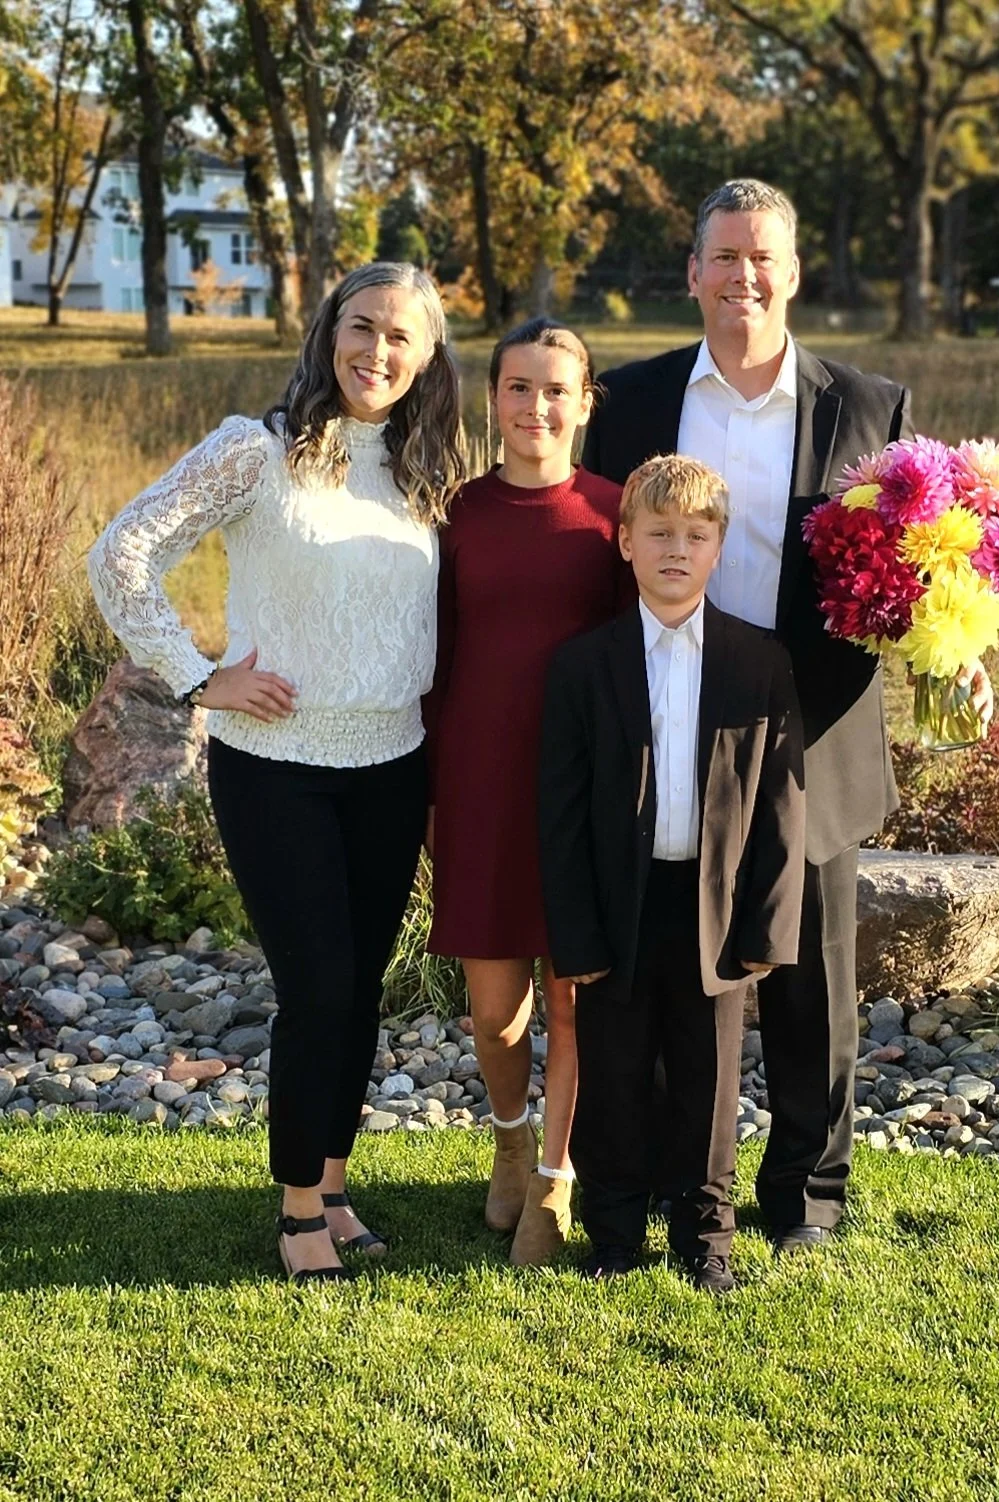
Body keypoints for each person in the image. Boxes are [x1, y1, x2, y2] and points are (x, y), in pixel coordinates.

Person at [582, 179, 994, 1252]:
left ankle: (806, 1198)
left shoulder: (870, 410)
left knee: (814, 985)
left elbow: (927, 570)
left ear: (794, 271)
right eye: (724, 257)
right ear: (693, 272)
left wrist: (961, 656)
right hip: (663, 732)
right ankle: (680, 1188)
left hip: (810, 731)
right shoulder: (628, 404)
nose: (743, 277)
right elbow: (587, 558)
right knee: (676, 979)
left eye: (763, 258)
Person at [88, 262, 466, 1282]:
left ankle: (333, 1182)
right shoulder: (252, 451)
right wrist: (197, 676)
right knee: (319, 984)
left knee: (360, 989)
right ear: (327, 329)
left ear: (429, 356)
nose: (377, 351)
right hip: (275, 766)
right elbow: (122, 552)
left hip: (393, 762)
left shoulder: (426, 469)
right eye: (362, 326)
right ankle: (298, 1205)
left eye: (401, 337)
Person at [538, 454, 805, 1292]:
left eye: (695, 535)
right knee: (613, 1071)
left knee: (707, 1080)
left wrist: (764, 927)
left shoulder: (757, 663)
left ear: (719, 547)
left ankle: (704, 1239)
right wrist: (573, 931)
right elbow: (561, 813)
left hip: (713, 909)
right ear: (624, 543)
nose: (676, 550)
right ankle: (614, 1234)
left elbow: (778, 808)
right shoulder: (583, 666)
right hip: (619, 907)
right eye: (658, 533)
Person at [424, 317, 627, 1265]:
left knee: (576, 1002)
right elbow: (435, 659)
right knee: (494, 1007)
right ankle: (507, 1143)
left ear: (585, 402)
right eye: (517, 388)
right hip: (480, 784)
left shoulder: (616, 515)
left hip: (585, 796)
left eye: (555, 390)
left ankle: (553, 1185)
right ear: (492, 399)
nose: (534, 407)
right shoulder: (455, 513)